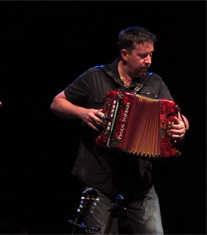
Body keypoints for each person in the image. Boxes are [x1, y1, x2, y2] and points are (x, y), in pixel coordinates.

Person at [50, 26, 189, 234]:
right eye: (143, 56)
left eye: (151, 54)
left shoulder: (155, 82)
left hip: (140, 183)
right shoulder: (95, 77)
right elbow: (57, 103)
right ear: (124, 54)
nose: (149, 61)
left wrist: (184, 126)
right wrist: (83, 113)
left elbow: (178, 116)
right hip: (99, 178)